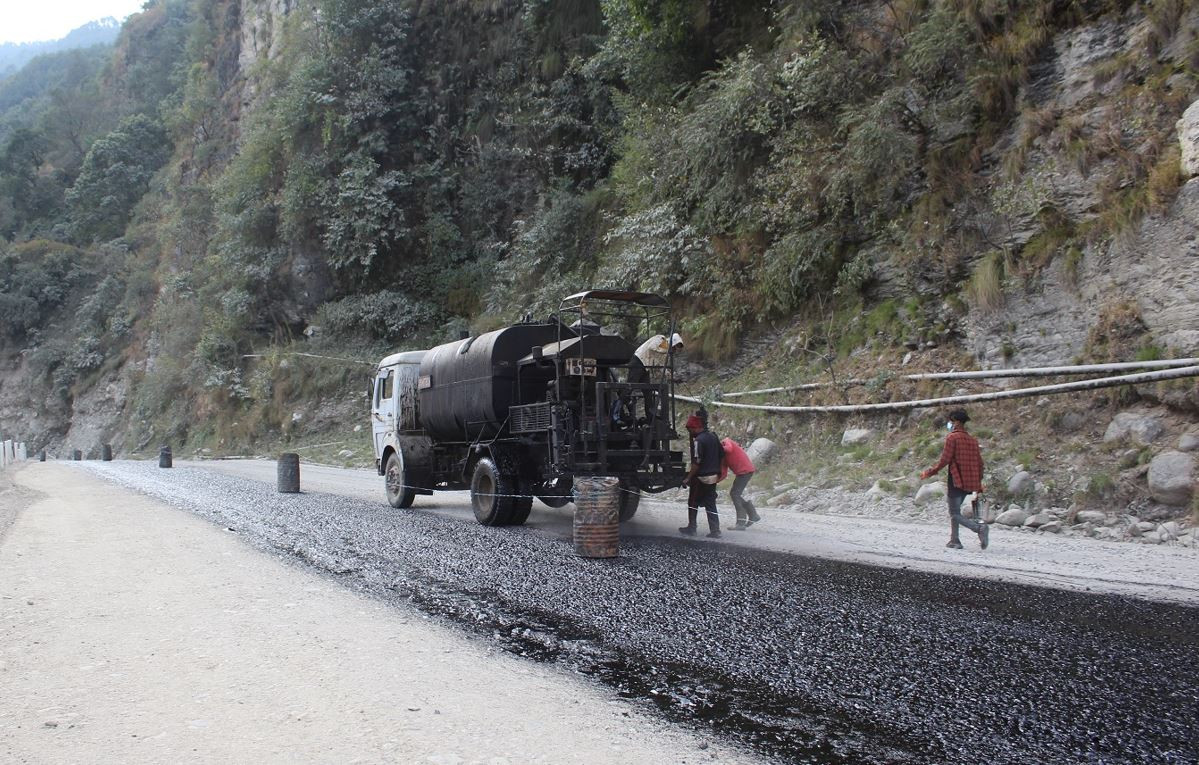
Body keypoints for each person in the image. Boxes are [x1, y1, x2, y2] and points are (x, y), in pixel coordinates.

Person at [920, 408, 989, 550]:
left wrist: (930, 472)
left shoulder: (952, 438)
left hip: (956, 479)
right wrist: (979, 482)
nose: (949, 424)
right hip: (970, 481)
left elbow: (945, 460)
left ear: (956, 421)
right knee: (956, 510)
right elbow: (980, 463)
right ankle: (955, 540)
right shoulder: (972, 441)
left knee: (954, 513)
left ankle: (978, 529)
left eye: (951, 421)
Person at [680, 414, 722, 538]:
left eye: (690, 429)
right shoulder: (714, 437)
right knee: (710, 503)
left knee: (693, 501)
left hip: (701, 477)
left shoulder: (699, 441)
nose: (690, 432)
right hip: (714, 476)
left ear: (695, 427)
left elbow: (697, 463)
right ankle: (715, 530)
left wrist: (688, 478)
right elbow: (722, 454)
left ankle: (692, 528)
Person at [629, 332, 683, 420]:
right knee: (629, 387)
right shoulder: (660, 339)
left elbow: (661, 367)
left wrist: (672, 377)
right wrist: (666, 350)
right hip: (638, 361)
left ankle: (650, 417)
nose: (674, 350)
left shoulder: (665, 354)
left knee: (648, 392)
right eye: (674, 347)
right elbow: (652, 347)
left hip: (646, 367)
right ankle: (617, 412)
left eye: (675, 349)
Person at [720, 437, 761, 530]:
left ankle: (741, 523)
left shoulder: (726, 441)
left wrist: (718, 447)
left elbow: (729, 449)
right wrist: (713, 482)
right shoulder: (722, 454)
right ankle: (753, 515)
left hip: (745, 471)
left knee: (735, 494)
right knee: (734, 494)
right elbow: (723, 472)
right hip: (743, 472)